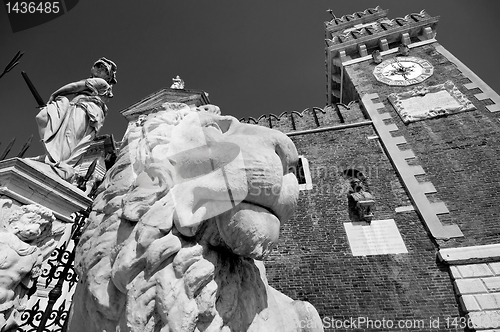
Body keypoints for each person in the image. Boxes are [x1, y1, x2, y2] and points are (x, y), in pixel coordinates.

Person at [35, 58, 117, 181]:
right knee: (65, 136)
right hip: (82, 109)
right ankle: (57, 161)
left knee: (69, 137)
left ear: (108, 76)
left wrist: (55, 94)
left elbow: (75, 86)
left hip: (85, 110)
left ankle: (60, 164)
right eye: (98, 66)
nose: (100, 69)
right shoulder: (98, 84)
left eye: (104, 69)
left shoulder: (101, 82)